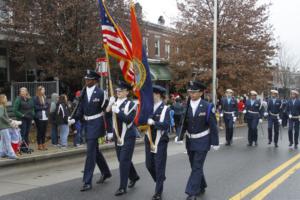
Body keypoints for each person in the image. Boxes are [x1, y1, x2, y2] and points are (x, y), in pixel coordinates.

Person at [175, 80, 219, 200]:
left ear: (201, 93)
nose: (192, 94)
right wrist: (179, 136)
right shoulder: (186, 105)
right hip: (190, 141)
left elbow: (213, 125)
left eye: (194, 92)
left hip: (203, 140)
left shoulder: (207, 106)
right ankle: (202, 184)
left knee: (197, 166)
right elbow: (183, 123)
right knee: (194, 165)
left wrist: (215, 142)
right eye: (190, 92)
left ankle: (191, 192)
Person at [73, 70, 111, 192]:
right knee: (95, 151)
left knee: (90, 153)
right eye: (86, 79)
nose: (87, 81)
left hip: (96, 124)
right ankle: (106, 172)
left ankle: (87, 181)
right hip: (86, 124)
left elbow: (107, 111)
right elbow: (80, 109)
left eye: (89, 79)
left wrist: (109, 130)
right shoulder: (83, 92)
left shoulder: (101, 93)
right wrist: (73, 120)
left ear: (95, 81)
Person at [106, 80, 139, 196]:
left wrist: (118, 111)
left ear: (126, 92)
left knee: (123, 161)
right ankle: (134, 176)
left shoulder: (132, 104)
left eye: (121, 90)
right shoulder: (114, 102)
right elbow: (107, 114)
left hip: (128, 136)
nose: (118, 92)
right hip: (117, 135)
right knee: (122, 159)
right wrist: (110, 104)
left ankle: (122, 187)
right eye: (117, 90)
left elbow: (129, 119)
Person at [146, 85, 170, 200]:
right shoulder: (148, 107)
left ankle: (158, 192)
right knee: (149, 165)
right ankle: (160, 179)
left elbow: (166, 125)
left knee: (159, 166)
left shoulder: (165, 109)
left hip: (160, 140)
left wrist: (154, 123)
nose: (150, 96)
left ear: (158, 95)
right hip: (149, 139)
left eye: (152, 94)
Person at [0, 94, 21, 159]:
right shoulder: (1, 107)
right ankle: (11, 154)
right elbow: (1, 116)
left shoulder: (2, 106)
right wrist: (8, 121)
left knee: (3, 141)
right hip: (4, 126)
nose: (6, 99)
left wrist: (9, 119)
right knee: (7, 140)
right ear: (2, 99)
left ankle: (2, 153)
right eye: (5, 98)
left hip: (2, 127)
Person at [33, 86, 49, 151]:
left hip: (45, 116)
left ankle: (43, 144)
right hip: (39, 116)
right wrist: (43, 107)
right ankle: (39, 145)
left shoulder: (45, 97)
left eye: (44, 90)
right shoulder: (35, 98)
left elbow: (48, 105)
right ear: (39, 91)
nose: (44, 91)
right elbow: (35, 107)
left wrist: (44, 107)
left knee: (44, 131)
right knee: (40, 131)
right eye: (43, 90)